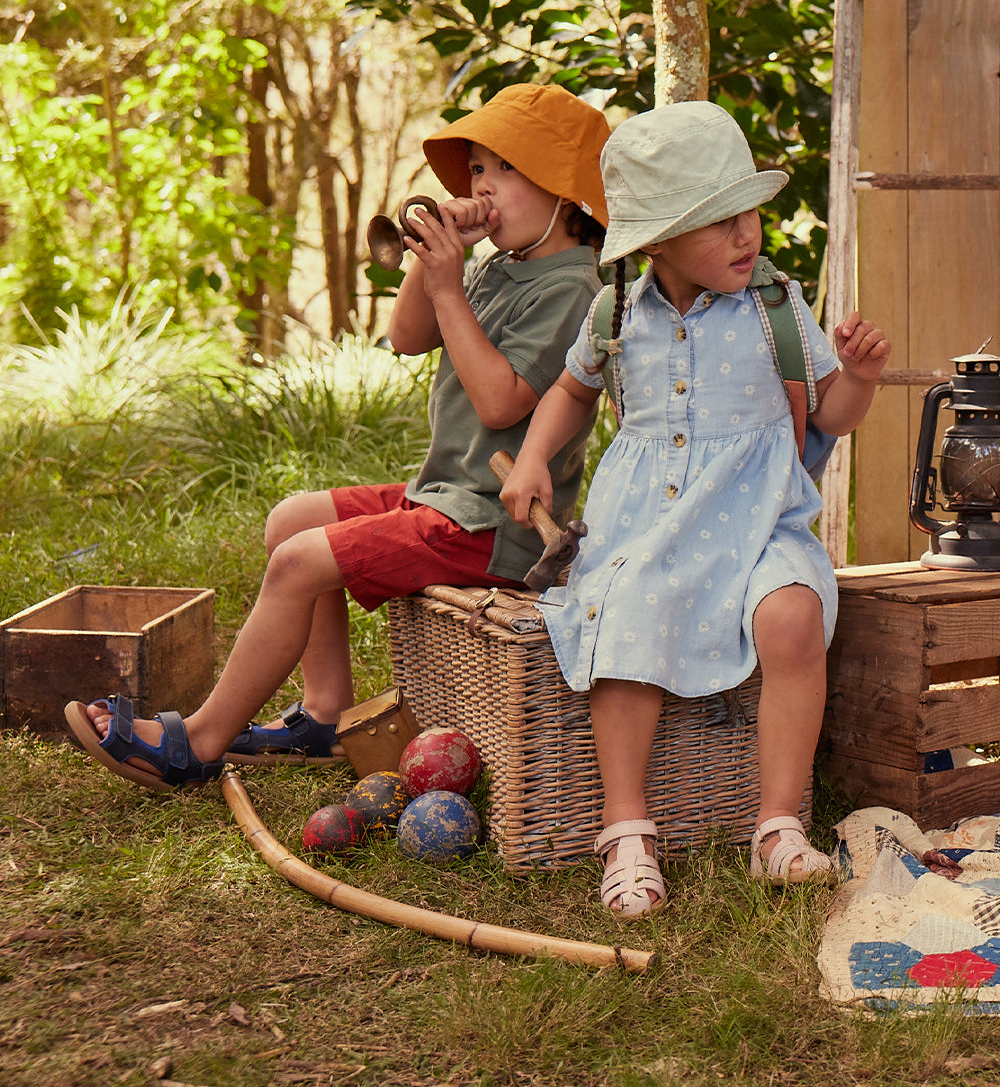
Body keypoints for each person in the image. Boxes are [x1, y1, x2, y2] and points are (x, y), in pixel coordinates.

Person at [64, 83, 611, 791]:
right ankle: (325, 714)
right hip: (447, 495)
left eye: (503, 170)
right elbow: (406, 336)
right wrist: (431, 259)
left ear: (563, 191)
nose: (481, 187)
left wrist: (450, 287)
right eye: (476, 169)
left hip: (489, 523)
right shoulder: (501, 268)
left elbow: (503, 401)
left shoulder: (572, 288)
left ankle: (197, 743)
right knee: (290, 519)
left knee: (297, 564)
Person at [498, 102, 891, 915]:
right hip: (648, 521)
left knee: (791, 617)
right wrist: (535, 456)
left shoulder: (774, 308)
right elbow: (572, 389)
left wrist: (857, 377)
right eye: (718, 223)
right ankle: (626, 827)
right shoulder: (615, 314)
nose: (746, 235)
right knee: (627, 615)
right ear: (657, 242)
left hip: (762, 520)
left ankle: (777, 826)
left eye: (748, 213)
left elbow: (829, 419)